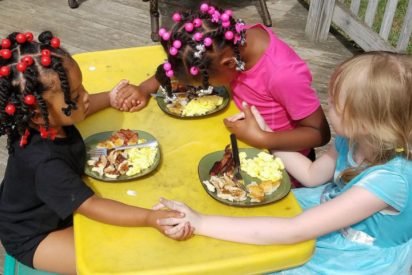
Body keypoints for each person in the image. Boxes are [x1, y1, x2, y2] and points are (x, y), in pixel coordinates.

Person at [155, 51, 412, 274]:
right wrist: (266, 134)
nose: (328, 105)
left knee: (256, 260)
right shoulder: (354, 139)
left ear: (365, 121)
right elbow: (312, 175)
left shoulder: (390, 180)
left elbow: (295, 231)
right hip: (323, 215)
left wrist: (201, 223)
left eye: (335, 104)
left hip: (354, 258)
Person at [0, 31, 192, 275]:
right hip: (34, 235)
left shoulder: (44, 121)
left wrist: (110, 98)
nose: (86, 96)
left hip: (53, 202)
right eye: (76, 96)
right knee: (108, 261)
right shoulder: (45, 163)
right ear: (38, 115)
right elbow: (91, 205)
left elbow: (80, 110)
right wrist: (150, 218)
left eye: (82, 88)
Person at [115, 3, 331, 187]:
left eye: (205, 82)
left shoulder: (283, 74)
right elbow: (185, 63)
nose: (202, 87)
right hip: (241, 142)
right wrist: (145, 88)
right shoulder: (222, 42)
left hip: (279, 168)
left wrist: (263, 138)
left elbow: (319, 134)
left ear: (229, 65)